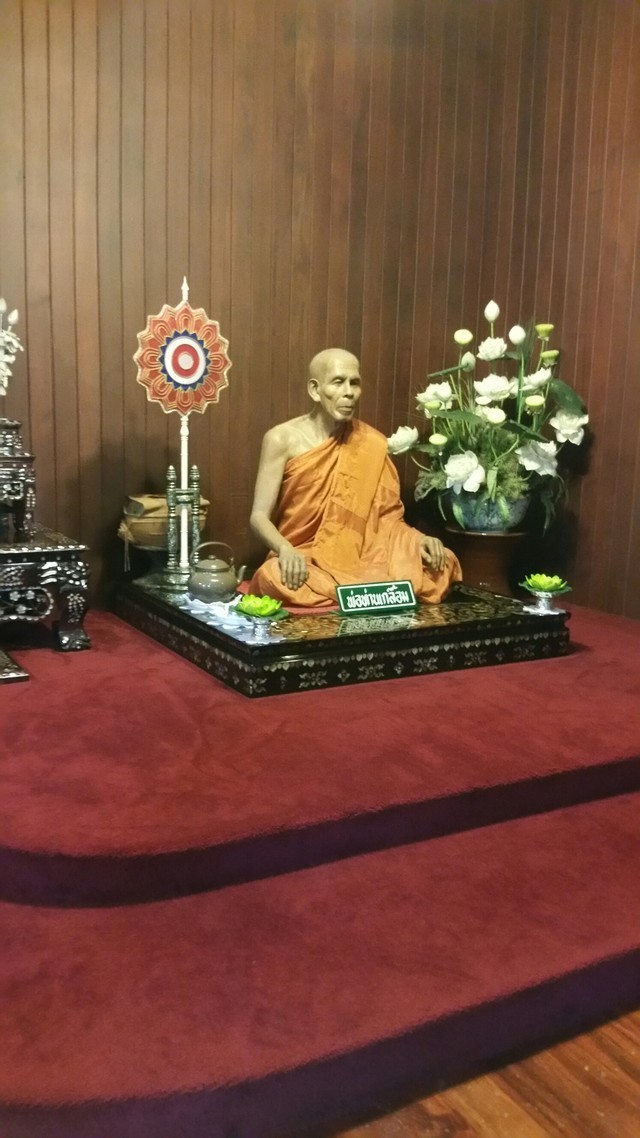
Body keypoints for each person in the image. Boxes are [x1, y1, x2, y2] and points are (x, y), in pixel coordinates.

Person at [248, 348, 462, 607]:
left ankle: (349, 594)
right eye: (338, 382)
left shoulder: (371, 442)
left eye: (355, 383)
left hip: (363, 555)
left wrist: (419, 541)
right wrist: (284, 549)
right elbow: (258, 516)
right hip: (305, 556)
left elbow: (387, 519)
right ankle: (363, 594)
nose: (348, 392)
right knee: (272, 577)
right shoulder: (281, 439)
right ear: (315, 390)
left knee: (442, 562)